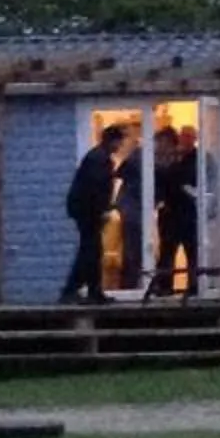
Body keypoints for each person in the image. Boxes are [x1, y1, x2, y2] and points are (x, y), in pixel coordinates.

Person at [62, 124, 124, 303]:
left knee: (91, 250)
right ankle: (77, 290)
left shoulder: (96, 157)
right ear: (111, 141)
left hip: (85, 210)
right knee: (91, 250)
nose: (119, 146)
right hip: (88, 212)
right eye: (118, 141)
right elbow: (96, 189)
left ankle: (89, 291)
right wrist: (102, 210)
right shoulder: (100, 160)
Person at [151, 125, 200, 297]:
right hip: (169, 212)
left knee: (192, 251)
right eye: (183, 136)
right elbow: (163, 181)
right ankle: (164, 286)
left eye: (189, 136)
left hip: (188, 212)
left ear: (195, 139)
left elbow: (195, 182)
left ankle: (195, 286)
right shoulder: (172, 159)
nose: (185, 140)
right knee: (167, 251)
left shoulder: (198, 159)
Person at [112, 120, 146, 294]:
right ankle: (131, 285)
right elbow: (120, 173)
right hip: (132, 208)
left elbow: (119, 173)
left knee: (133, 248)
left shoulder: (137, 155)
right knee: (133, 249)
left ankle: (132, 284)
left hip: (132, 207)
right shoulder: (139, 156)